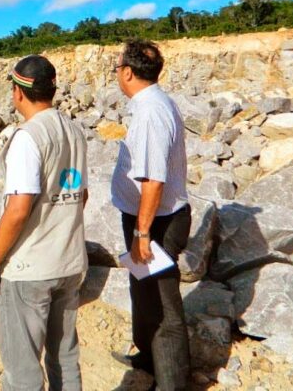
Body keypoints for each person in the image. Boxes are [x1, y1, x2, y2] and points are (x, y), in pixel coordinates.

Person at [0, 54, 88, 391]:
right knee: (64, 357)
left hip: (31, 269)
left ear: (18, 92)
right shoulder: (74, 131)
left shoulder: (28, 137)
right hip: (70, 262)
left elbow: (17, 210)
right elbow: (81, 196)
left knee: (22, 369)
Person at [110, 40, 192, 390]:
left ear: (128, 73)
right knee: (143, 290)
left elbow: (153, 180)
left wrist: (142, 233)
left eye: (117, 68)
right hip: (147, 218)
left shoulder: (150, 112)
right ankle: (147, 358)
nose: (116, 74)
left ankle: (172, 382)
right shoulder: (155, 102)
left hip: (157, 221)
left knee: (162, 305)